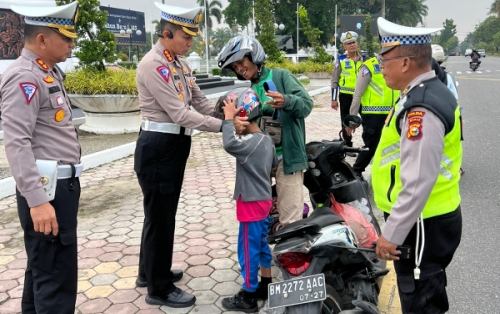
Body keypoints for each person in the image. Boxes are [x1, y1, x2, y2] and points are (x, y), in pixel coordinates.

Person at [133, 2, 234, 308]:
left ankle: (148, 273)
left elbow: (200, 102)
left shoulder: (179, 64)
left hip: (173, 147)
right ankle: (158, 288)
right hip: (158, 147)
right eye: (186, 37)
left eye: (193, 37)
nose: (191, 43)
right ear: (166, 33)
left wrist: (227, 109)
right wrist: (225, 126)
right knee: (160, 216)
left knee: (160, 214)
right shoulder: (154, 65)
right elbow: (180, 114)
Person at [373, 18, 463, 314]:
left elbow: (418, 181)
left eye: (383, 59)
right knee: (427, 291)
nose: (379, 66)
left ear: (405, 63)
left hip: (422, 222)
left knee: (420, 301)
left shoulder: (421, 108)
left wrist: (392, 234)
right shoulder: (424, 91)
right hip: (428, 217)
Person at [0, 2, 81, 313]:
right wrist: (37, 201)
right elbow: (17, 142)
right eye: (67, 38)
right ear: (42, 40)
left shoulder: (46, 71)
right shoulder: (25, 76)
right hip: (48, 192)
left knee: (43, 269)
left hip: (57, 188)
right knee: (55, 279)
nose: (72, 45)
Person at [218, 36, 313, 227]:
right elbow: (249, 127)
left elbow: (306, 105)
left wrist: (286, 101)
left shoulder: (281, 76)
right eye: (235, 67)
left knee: (290, 219)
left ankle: (293, 253)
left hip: (287, 157)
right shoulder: (249, 91)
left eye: (240, 62)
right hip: (261, 162)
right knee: (261, 216)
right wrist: (239, 126)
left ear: (254, 56)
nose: (239, 69)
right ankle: (264, 254)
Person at [214, 88, 276, 312]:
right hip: (262, 200)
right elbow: (273, 166)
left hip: (251, 202)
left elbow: (229, 144)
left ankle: (249, 294)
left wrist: (229, 120)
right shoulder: (265, 140)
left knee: (247, 249)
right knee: (260, 243)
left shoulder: (250, 144)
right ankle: (266, 284)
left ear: (243, 113)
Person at [346, 55, 399, 180]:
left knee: (390, 145)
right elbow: (358, 94)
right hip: (372, 115)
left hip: (392, 113)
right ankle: (356, 171)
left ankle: (384, 172)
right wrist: (353, 117)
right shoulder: (368, 66)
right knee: (371, 145)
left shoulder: (395, 63)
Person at [331, 31, 363, 155]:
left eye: (353, 42)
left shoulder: (364, 60)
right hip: (345, 95)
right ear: (344, 46)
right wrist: (333, 99)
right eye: (348, 43)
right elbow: (334, 80)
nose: (352, 45)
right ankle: (348, 145)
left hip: (361, 95)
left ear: (357, 43)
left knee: (366, 119)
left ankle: (369, 143)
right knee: (345, 121)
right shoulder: (340, 60)